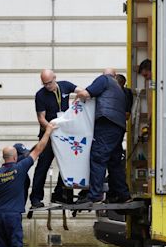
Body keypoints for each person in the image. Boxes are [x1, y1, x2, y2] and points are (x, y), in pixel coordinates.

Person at [75, 69, 131, 205]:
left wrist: (76, 94)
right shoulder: (118, 88)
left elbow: (86, 93)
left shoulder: (104, 80)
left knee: (98, 157)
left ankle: (95, 195)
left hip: (106, 123)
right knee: (114, 162)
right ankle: (124, 195)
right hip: (118, 127)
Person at [30, 69, 81, 208]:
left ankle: (61, 193)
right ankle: (35, 198)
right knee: (43, 166)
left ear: (55, 78)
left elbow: (82, 92)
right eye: (45, 83)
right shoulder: (40, 95)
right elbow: (41, 118)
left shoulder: (65, 86)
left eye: (50, 83)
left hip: (64, 134)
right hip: (48, 134)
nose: (48, 86)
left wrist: (77, 102)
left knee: (67, 164)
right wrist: (50, 129)